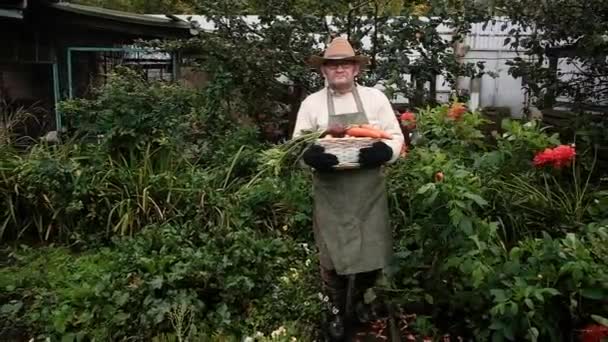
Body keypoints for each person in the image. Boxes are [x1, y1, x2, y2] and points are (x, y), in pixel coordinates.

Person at [292, 36, 405, 340]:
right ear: (324, 71)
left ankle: (361, 304)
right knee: (331, 258)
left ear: (356, 68)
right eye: (332, 64)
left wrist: (385, 152)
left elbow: (395, 137)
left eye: (345, 63)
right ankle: (335, 312)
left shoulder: (375, 99)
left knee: (371, 251)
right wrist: (313, 158)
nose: (338, 68)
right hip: (331, 195)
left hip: (368, 192)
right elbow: (298, 146)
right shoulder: (311, 104)